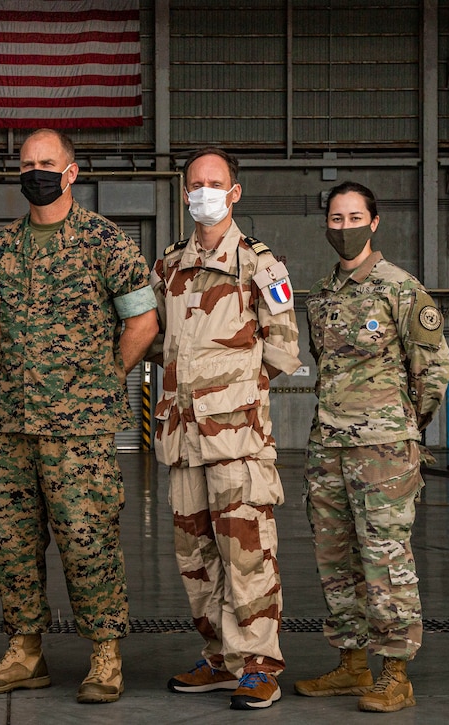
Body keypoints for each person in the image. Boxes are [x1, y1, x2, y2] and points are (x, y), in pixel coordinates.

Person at [0, 128, 159, 705]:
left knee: (87, 540)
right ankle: (25, 652)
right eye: (27, 164)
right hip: (11, 424)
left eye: (47, 164)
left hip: (80, 429)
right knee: (13, 542)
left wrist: (101, 379)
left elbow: (143, 323)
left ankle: (105, 655)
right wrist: (29, 374)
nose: (36, 173)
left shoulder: (107, 242)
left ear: (71, 172)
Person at [149, 147, 301, 710]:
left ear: (235, 193)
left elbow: (282, 351)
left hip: (237, 441)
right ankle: (219, 658)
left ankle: (258, 665)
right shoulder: (169, 266)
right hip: (182, 439)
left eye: (215, 184)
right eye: (196, 184)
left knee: (247, 557)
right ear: (184, 192)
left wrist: (227, 391)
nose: (204, 192)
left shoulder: (261, 265)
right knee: (197, 560)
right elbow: (156, 339)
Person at [295, 181, 449, 713]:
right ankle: (352, 664)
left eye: (355, 218)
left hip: (383, 450)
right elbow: (324, 364)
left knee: (386, 559)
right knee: (335, 559)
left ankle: (395, 674)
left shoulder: (400, 288)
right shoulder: (321, 294)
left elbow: (432, 371)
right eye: (336, 219)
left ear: (374, 222)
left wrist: (402, 426)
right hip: (328, 447)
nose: (345, 228)